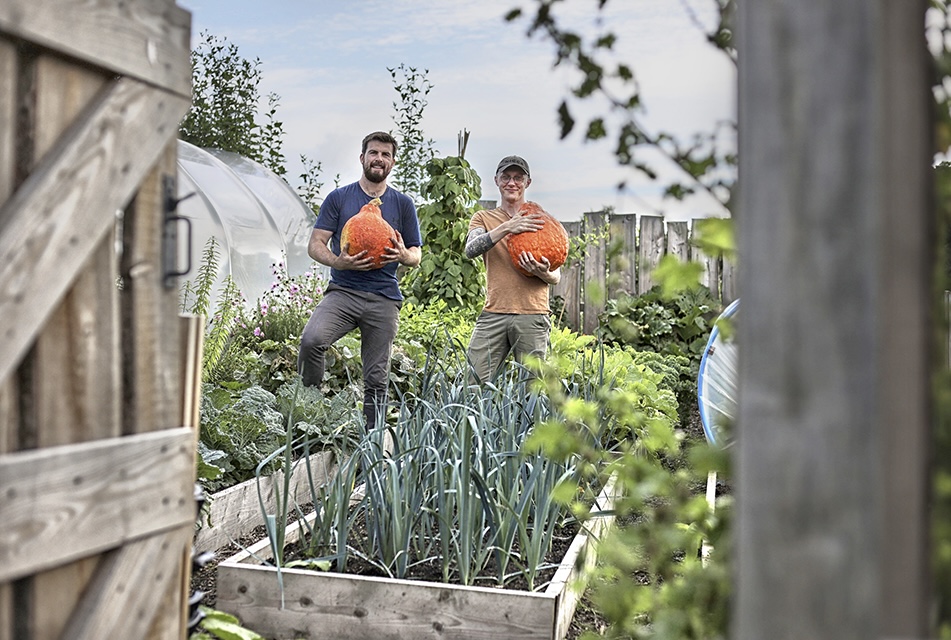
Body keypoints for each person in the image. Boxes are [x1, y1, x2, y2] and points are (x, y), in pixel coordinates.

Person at [298, 131, 422, 428]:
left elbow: (416, 254)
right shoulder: (340, 198)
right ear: (363, 158)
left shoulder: (403, 204)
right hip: (343, 292)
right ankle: (310, 414)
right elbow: (316, 244)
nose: (379, 159)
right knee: (312, 341)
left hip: (383, 297)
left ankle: (371, 445)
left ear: (392, 162)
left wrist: (404, 255)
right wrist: (337, 260)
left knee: (377, 379)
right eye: (374, 153)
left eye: (385, 154)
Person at [464, 155, 561, 384]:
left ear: (527, 183)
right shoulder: (484, 218)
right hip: (494, 312)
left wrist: (542, 272)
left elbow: (556, 276)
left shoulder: (542, 221)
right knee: (473, 383)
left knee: (532, 389)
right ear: (496, 180)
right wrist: (508, 227)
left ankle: (528, 423)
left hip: (533, 314)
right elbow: (471, 249)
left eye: (518, 178)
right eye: (506, 177)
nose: (512, 183)